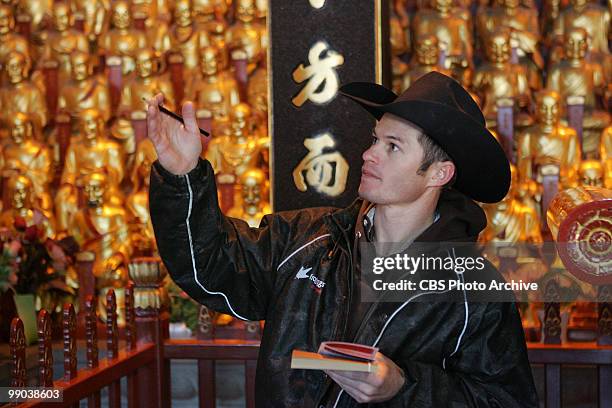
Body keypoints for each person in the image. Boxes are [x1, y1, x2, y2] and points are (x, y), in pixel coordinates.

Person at [146, 72, 538, 407]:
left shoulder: (472, 290)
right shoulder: (309, 239)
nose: (369, 155)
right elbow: (209, 267)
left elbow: (504, 400)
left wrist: (403, 387)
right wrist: (183, 176)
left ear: (438, 173)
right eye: (374, 139)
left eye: (392, 147)